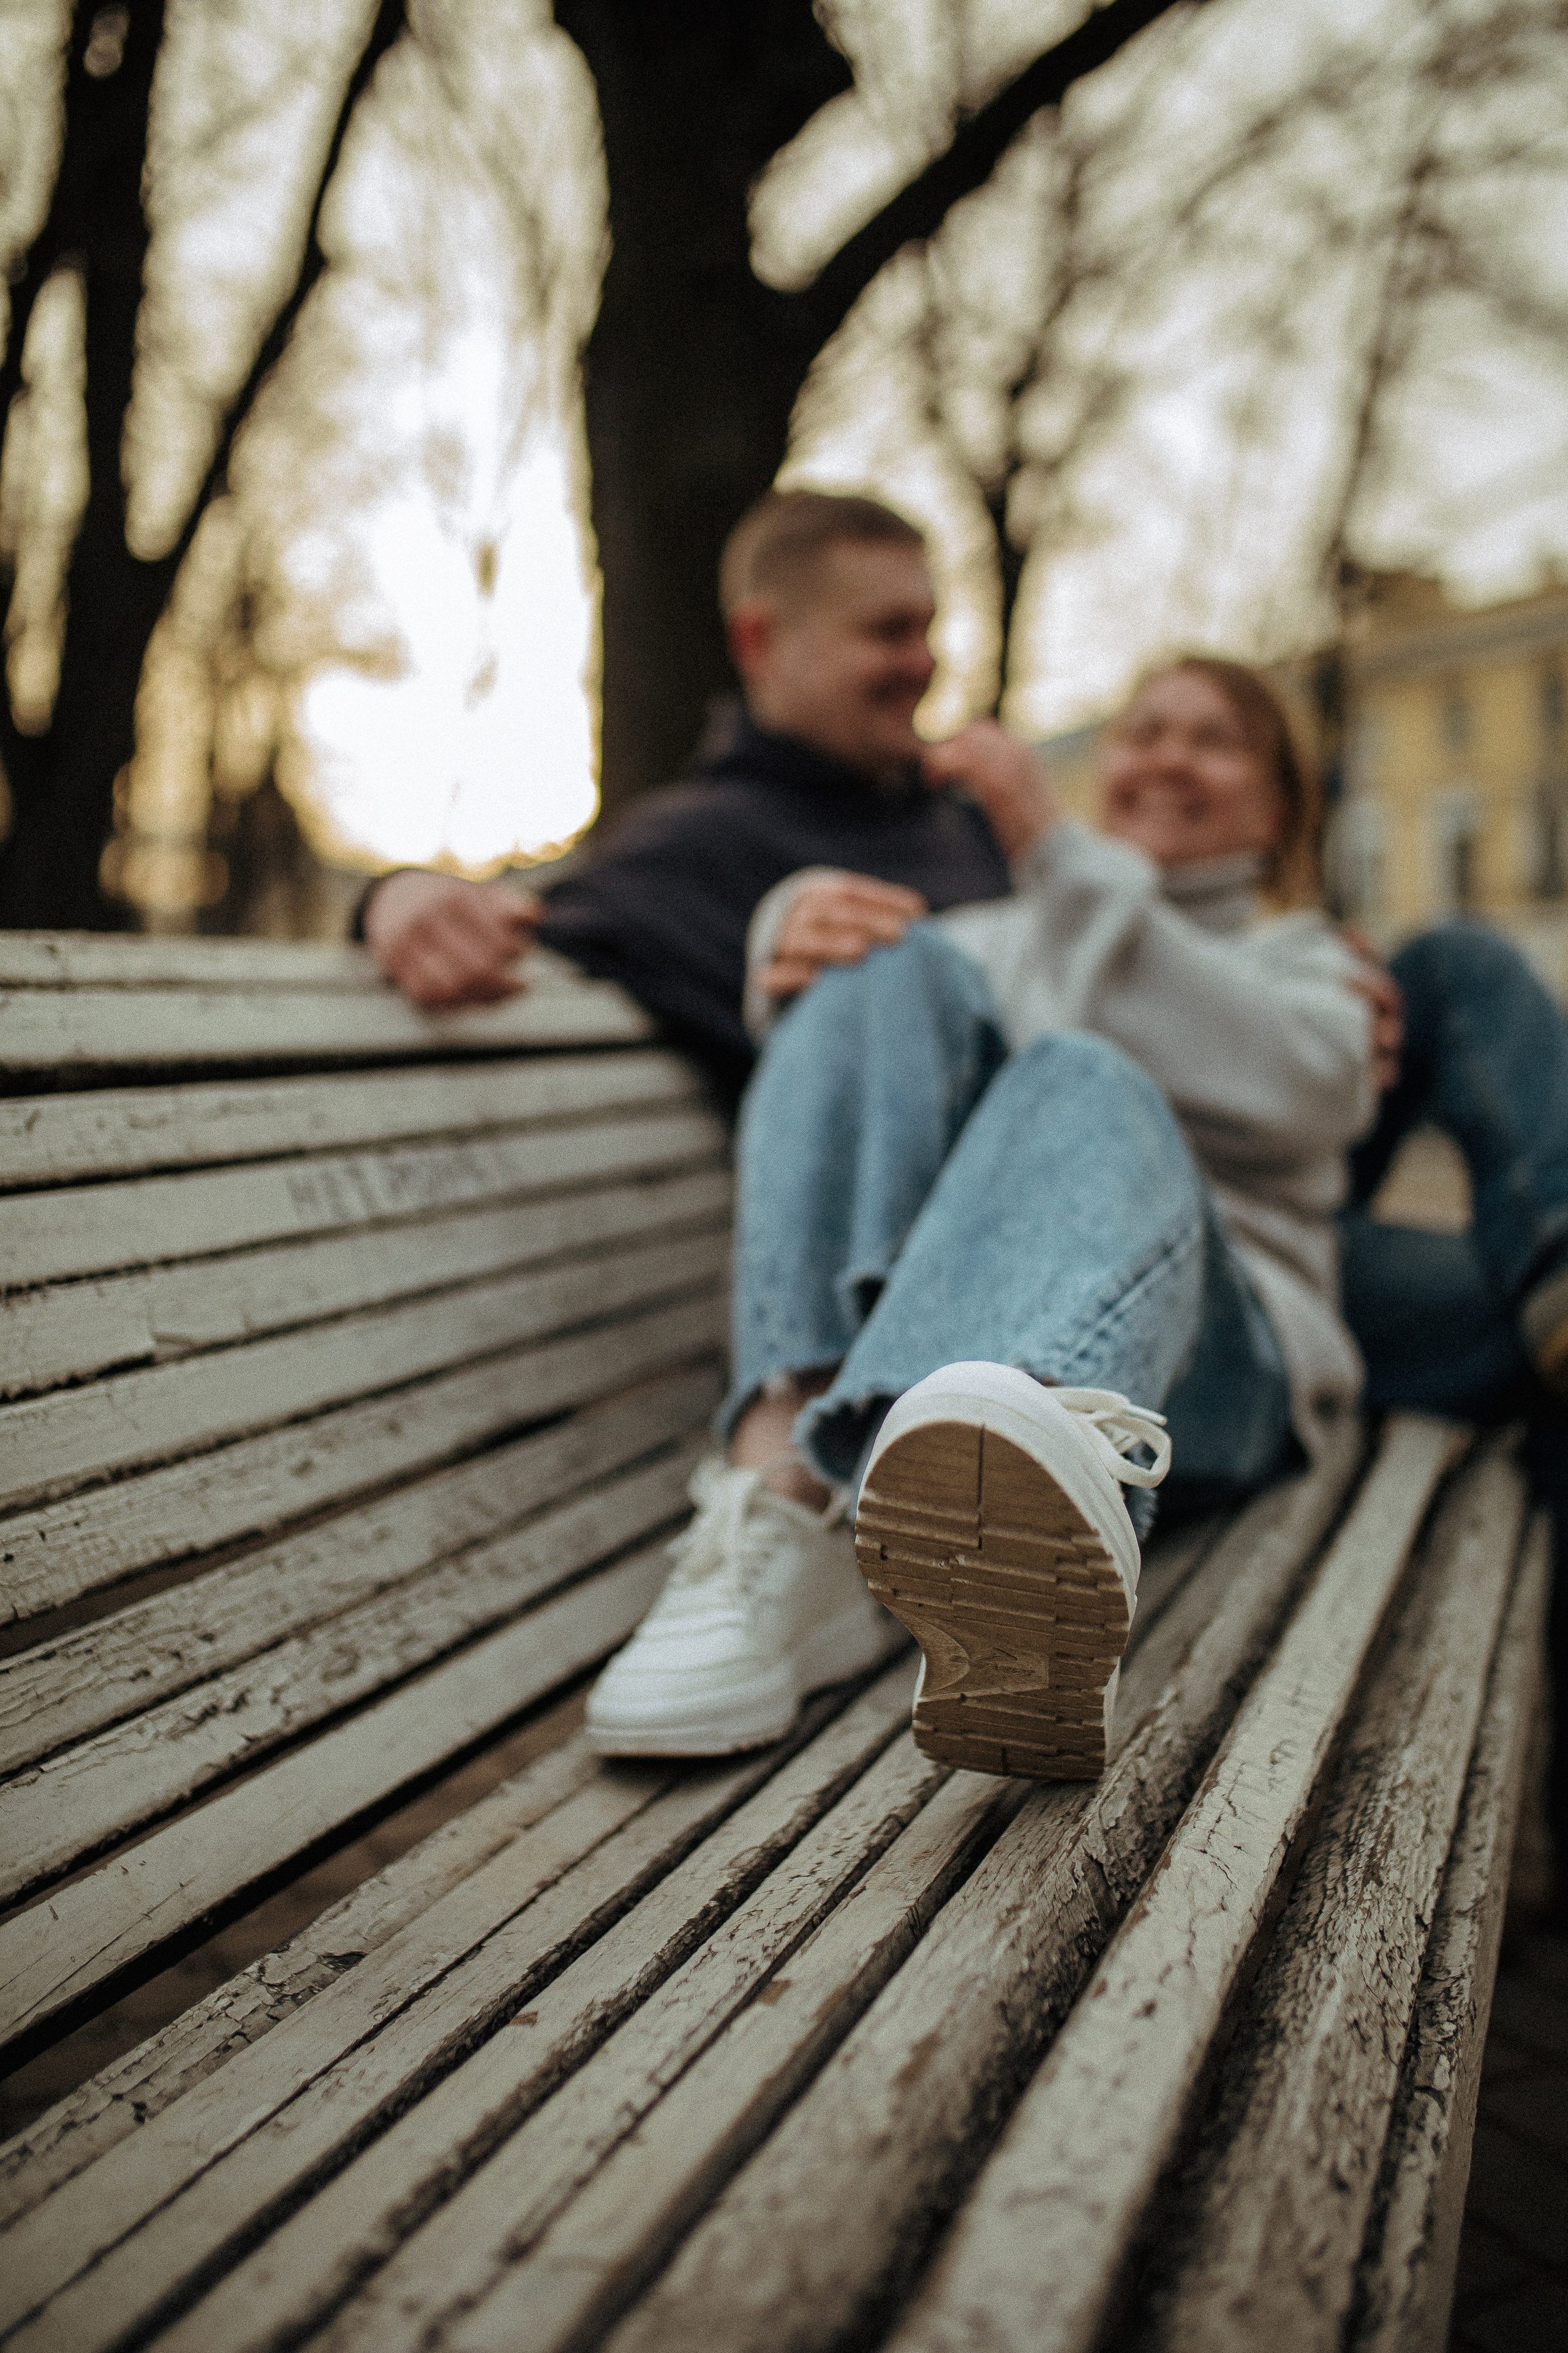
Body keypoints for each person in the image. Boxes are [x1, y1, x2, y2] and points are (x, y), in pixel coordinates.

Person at [586, 661, 1568, 1830]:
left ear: (1279, 809)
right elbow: (865, 1062)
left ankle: (1048, 1496)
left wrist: (1052, 848)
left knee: (1082, 1072)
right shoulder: (997, 934)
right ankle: (787, 1494)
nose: (1165, 756)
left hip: (1214, 1364)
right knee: (875, 952)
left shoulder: (1312, 964)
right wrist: (788, 933)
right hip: (938, 1380)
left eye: (1215, 742)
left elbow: (1304, 1094)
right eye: (1146, 730)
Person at [358, 491, 1013, 1104]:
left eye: (927, 630)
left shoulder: (969, 824)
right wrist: (394, 896)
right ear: (759, 641)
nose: (924, 663)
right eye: (888, 632)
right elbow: (528, 928)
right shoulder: (697, 853)